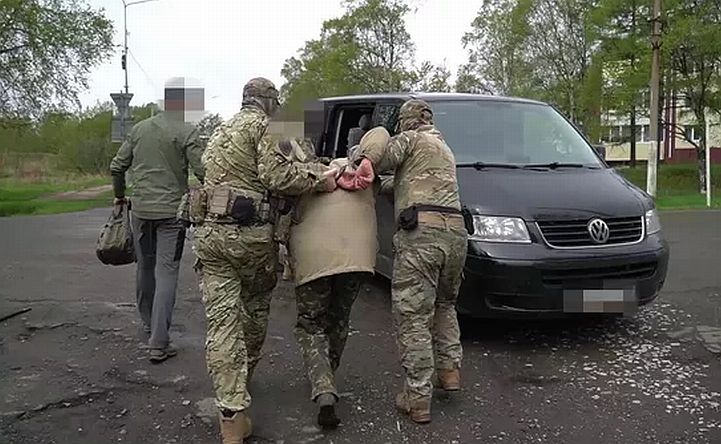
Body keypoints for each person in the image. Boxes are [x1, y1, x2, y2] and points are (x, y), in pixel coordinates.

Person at [190, 77, 338, 443]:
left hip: (209, 236)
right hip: (250, 237)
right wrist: (320, 178)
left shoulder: (221, 130)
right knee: (254, 312)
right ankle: (241, 384)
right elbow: (278, 176)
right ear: (270, 102)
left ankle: (231, 413)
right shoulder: (269, 127)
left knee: (222, 324)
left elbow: (205, 171)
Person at [339, 99, 469, 424]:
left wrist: (357, 155)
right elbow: (405, 183)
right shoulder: (443, 147)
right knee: (445, 305)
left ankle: (417, 398)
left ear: (406, 121)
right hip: (455, 235)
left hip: (422, 237)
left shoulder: (409, 139)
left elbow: (380, 160)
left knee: (413, 318)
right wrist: (382, 186)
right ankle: (449, 371)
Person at [288, 130, 386, 429]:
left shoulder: (305, 178)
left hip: (314, 258)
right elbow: (381, 134)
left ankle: (323, 387)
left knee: (311, 324)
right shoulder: (364, 175)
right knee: (339, 319)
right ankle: (328, 373)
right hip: (357, 259)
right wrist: (367, 159)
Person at [109, 77, 205, 364]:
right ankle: (159, 343)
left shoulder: (139, 129)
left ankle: (150, 325)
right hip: (172, 214)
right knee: (167, 274)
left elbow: (117, 167)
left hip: (141, 211)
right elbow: (204, 171)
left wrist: (120, 196)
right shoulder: (187, 131)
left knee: (145, 269)